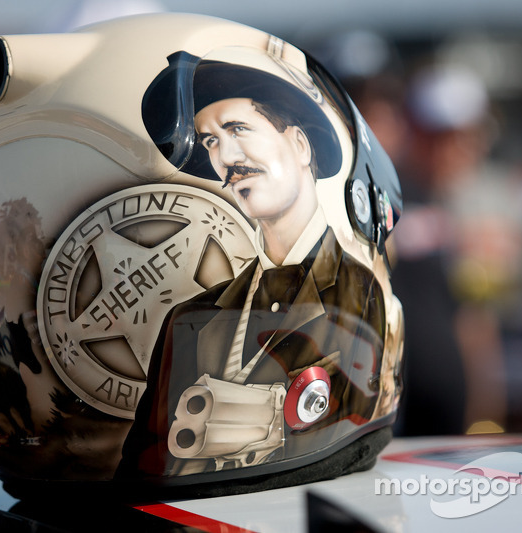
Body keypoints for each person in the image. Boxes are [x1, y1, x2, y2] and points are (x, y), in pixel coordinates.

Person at [119, 54, 388, 478]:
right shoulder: (187, 320)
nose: (225, 157)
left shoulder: (360, 292)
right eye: (209, 141)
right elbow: (141, 469)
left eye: (237, 129)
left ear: (300, 144)